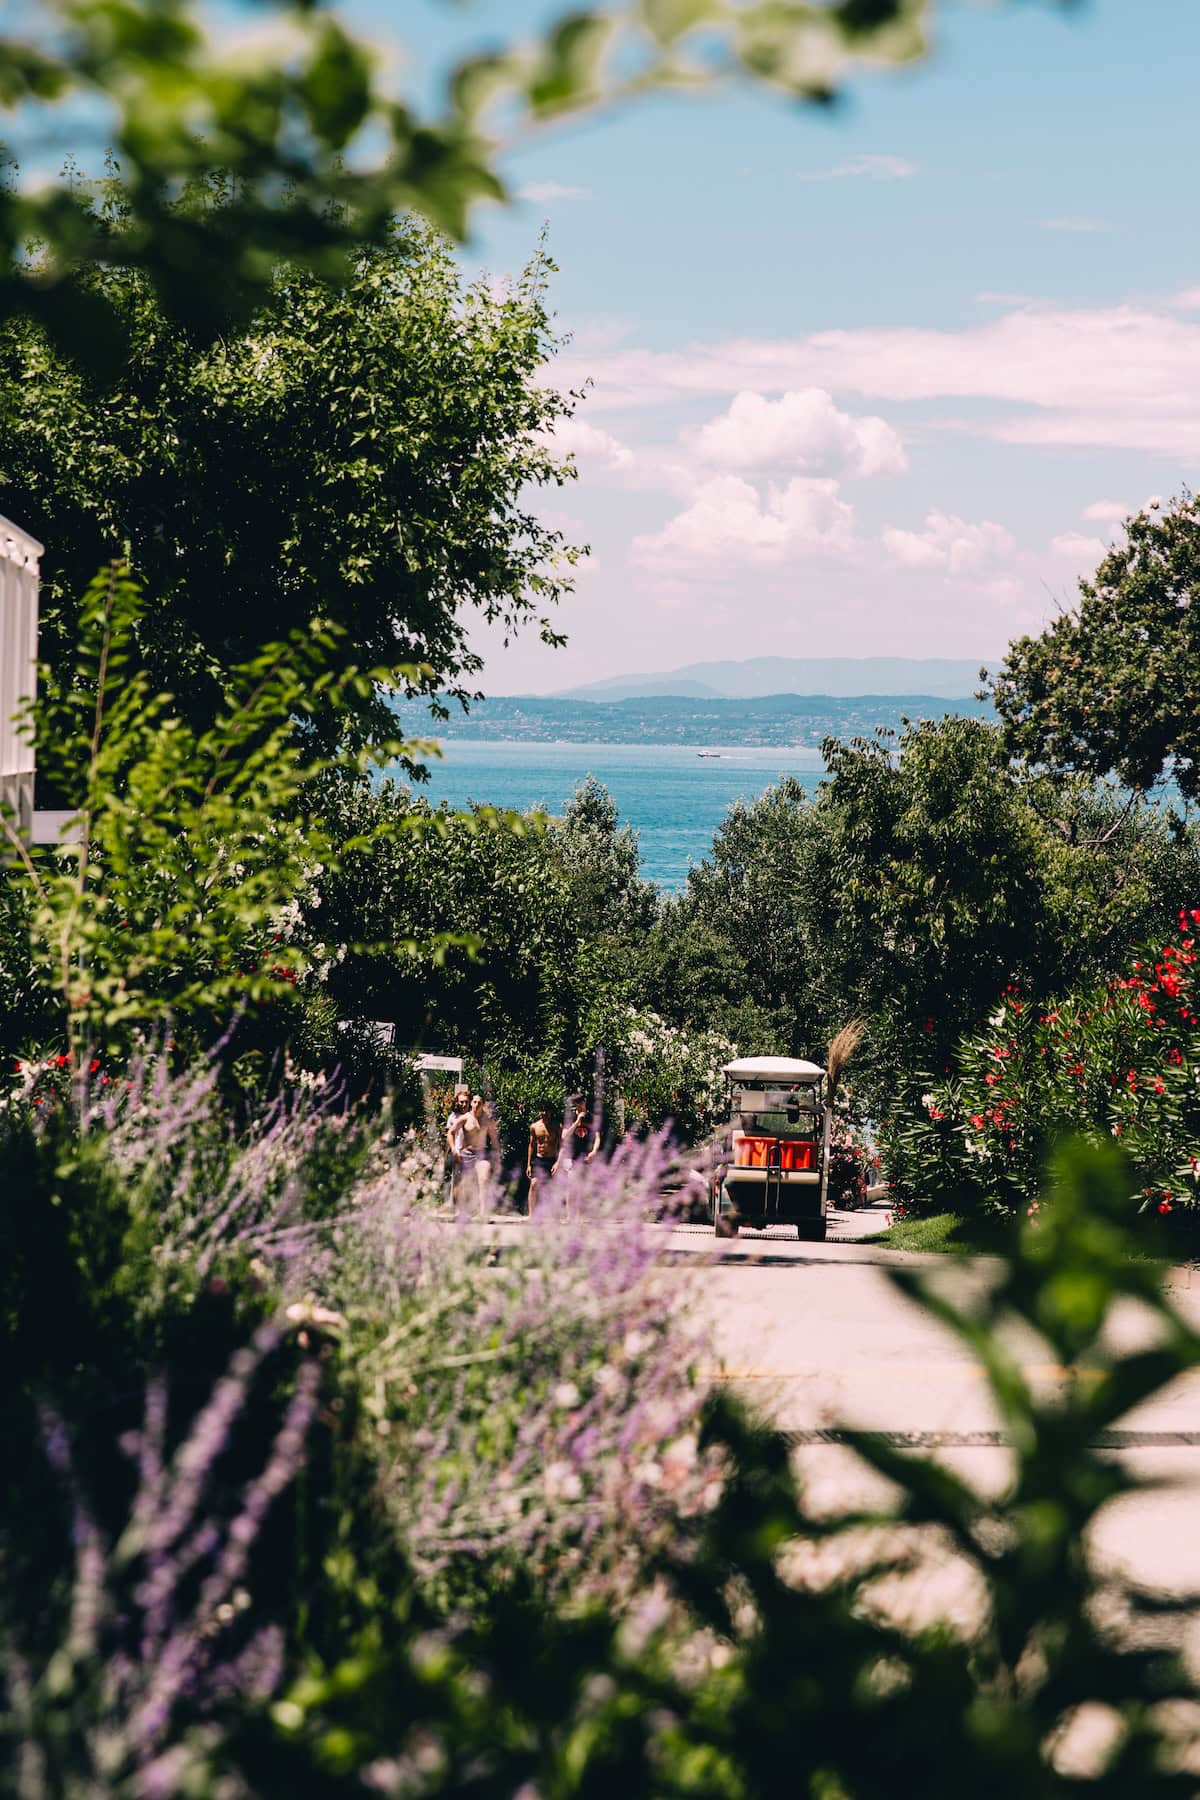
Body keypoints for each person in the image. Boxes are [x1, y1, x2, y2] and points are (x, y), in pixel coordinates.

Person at [448, 1091, 500, 1213]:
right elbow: (450, 1132)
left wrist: (497, 1155)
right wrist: (454, 1149)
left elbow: (494, 1139)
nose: (476, 1104)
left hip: (482, 1154)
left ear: (483, 1105)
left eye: (479, 1102)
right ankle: (461, 1211)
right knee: (463, 1183)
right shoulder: (465, 1118)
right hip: (467, 1153)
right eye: (475, 1102)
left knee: (484, 1178)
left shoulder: (487, 1120)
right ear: (471, 1103)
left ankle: (482, 1212)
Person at [526, 1102, 561, 1212]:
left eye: (546, 1110)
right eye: (542, 1110)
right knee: (534, 1184)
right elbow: (531, 1145)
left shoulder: (557, 1126)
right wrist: (528, 1165)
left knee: (555, 1187)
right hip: (539, 1159)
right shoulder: (534, 1126)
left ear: (550, 1112)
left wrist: (558, 1162)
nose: (544, 1113)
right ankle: (531, 1215)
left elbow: (562, 1145)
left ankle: (554, 1215)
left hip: (552, 1159)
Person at [553, 1093, 600, 1177]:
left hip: (587, 1159)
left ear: (585, 1101)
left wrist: (594, 1151)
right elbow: (564, 1136)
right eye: (576, 1103)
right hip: (572, 1159)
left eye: (581, 1102)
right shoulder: (570, 1118)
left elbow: (597, 1137)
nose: (579, 1105)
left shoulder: (592, 1118)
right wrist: (577, 1122)